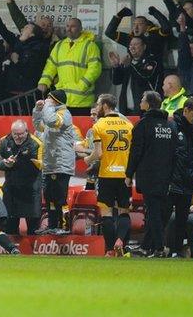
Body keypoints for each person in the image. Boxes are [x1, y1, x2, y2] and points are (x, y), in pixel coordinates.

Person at [125, 91, 177, 258]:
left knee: (153, 212)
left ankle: (160, 247)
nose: (140, 102)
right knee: (156, 211)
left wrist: (129, 173)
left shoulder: (143, 124)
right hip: (166, 175)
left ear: (147, 104)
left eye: (142, 99)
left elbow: (136, 152)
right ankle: (147, 247)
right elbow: (175, 152)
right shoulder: (170, 125)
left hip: (149, 175)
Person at [84, 94, 134, 257]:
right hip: (124, 175)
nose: (97, 107)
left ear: (105, 106)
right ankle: (121, 241)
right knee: (124, 211)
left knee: (106, 213)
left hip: (106, 174)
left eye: (98, 104)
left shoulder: (99, 125)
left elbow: (98, 154)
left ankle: (110, 250)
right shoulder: (128, 124)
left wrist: (87, 158)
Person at [32, 90, 76, 233]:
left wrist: (47, 107)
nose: (46, 100)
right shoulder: (49, 112)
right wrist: (38, 110)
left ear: (56, 100)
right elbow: (39, 126)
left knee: (60, 198)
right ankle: (51, 226)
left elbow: (51, 121)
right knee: (49, 197)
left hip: (61, 164)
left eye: (49, 98)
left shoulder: (64, 114)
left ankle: (64, 227)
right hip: (50, 163)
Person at [38, 18, 102, 115]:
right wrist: (44, 81)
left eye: (73, 26)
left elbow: (95, 69)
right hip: (62, 99)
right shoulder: (59, 45)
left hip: (82, 101)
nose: (69, 29)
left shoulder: (90, 46)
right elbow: (51, 66)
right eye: (67, 26)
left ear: (80, 28)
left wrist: (82, 86)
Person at [167, 97, 193, 257]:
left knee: (182, 218)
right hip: (172, 180)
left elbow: (192, 156)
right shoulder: (172, 126)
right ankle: (161, 248)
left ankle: (176, 251)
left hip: (188, 181)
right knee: (166, 215)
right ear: (186, 110)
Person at [0, 119, 42, 236]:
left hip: (30, 190)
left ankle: (34, 251)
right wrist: (6, 163)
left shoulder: (36, 143)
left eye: (20, 134)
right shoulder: (4, 141)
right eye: (15, 134)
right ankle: (11, 250)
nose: (18, 137)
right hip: (11, 189)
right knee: (9, 226)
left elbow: (41, 165)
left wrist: (29, 161)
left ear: (26, 132)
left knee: (33, 229)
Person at [109, 36, 163, 115]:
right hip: (126, 110)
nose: (132, 47)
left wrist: (131, 65)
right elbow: (116, 81)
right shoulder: (129, 63)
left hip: (145, 110)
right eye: (130, 45)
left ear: (144, 46)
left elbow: (144, 77)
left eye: (136, 44)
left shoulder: (152, 61)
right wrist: (116, 66)